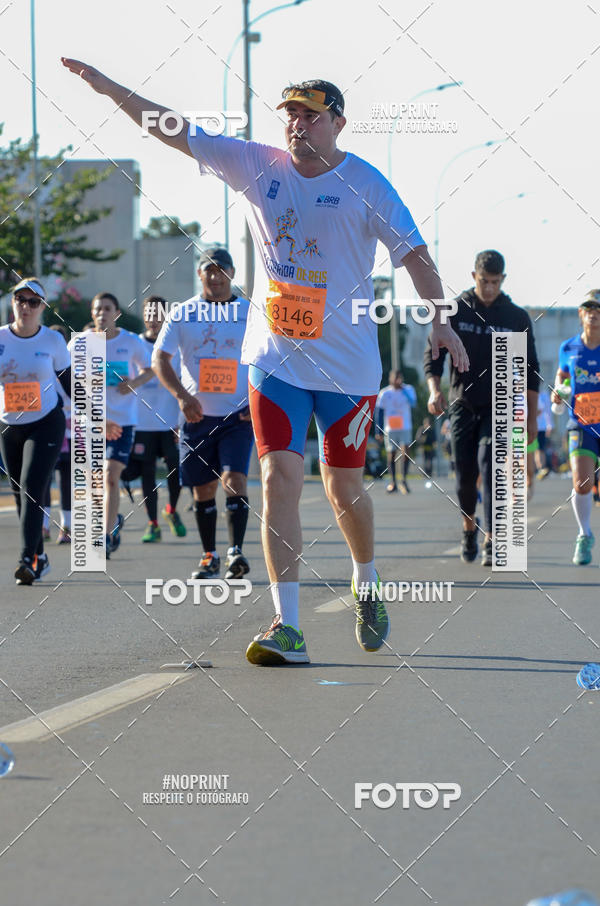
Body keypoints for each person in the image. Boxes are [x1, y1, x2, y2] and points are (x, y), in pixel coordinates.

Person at [61, 61, 468, 665]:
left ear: (338, 122)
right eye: (291, 114)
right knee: (277, 476)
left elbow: (415, 254)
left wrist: (439, 316)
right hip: (274, 358)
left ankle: (366, 580)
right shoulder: (258, 165)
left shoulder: (368, 184)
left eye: (310, 113)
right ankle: (288, 625)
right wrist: (111, 88)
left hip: (348, 367)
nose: (297, 123)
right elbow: (173, 129)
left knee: (342, 484)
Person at [425, 250, 540, 566]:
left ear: (503, 280)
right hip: (463, 404)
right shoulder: (455, 310)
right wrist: (435, 391)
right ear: (473, 276)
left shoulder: (516, 318)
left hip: (500, 405)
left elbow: (530, 369)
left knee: (492, 468)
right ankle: (468, 527)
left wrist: (531, 415)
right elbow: (434, 355)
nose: (489, 287)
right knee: (465, 475)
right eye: (483, 281)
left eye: (495, 281)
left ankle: (493, 537)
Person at [153, 247, 253, 579]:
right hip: (196, 417)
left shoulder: (249, 312)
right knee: (203, 489)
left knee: (234, 479)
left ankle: (235, 551)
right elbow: (160, 359)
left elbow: (271, 358)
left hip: (237, 415)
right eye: (208, 270)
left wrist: (257, 401)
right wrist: (181, 397)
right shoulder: (183, 313)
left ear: (232, 274)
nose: (215, 276)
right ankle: (209, 555)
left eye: (221, 270)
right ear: (200, 275)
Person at [71, 292, 153, 558]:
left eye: (108, 309)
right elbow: (67, 379)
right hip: (91, 421)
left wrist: (134, 384)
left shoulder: (130, 342)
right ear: (92, 314)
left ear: (116, 313)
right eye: (98, 309)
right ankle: (111, 518)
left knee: (110, 476)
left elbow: (151, 368)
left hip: (123, 421)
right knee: (95, 482)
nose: (102, 313)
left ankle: (104, 537)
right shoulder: (80, 343)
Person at [0, 278, 70, 584]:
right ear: (13, 302)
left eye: (33, 302)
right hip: (8, 425)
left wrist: (98, 415)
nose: (26, 307)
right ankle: (40, 559)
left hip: (45, 422)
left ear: (42, 307)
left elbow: (69, 383)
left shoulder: (52, 341)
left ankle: (27, 559)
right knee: (21, 493)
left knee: (31, 485)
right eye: (20, 300)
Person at [121, 296, 186, 543]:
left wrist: (182, 420)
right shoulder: (135, 344)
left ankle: (171, 510)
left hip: (170, 420)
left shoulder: (176, 347)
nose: (153, 318)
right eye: (149, 312)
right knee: (147, 472)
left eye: (159, 313)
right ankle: (153, 523)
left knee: (175, 471)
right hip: (143, 422)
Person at [553, 290, 600, 565]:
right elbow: (562, 376)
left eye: (598, 309)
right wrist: (557, 394)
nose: (594, 313)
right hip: (581, 424)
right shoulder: (568, 347)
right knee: (582, 483)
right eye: (589, 308)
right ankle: (584, 534)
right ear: (581, 313)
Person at [375, 370, 417, 493]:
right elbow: (379, 412)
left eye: (399, 377)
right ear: (390, 379)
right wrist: (378, 431)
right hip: (390, 428)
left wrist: (403, 391)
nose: (397, 380)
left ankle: (403, 480)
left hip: (405, 426)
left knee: (406, 452)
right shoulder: (384, 393)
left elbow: (413, 403)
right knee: (391, 454)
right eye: (395, 378)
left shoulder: (408, 389)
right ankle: (393, 482)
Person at [535, 387, 553, 480]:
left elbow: (546, 411)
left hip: (541, 426)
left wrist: (549, 425)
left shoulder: (543, 395)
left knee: (540, 448)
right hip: (530, 426)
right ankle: (539, 468)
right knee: (535, 449)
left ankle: (542, 468)